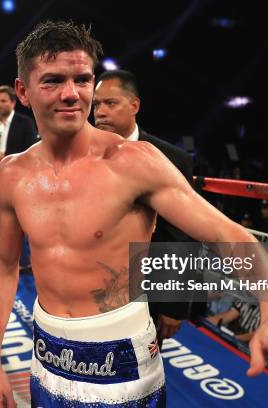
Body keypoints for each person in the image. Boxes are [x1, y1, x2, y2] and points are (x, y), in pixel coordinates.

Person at [0, 21, 268, 407]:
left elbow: (227, 234)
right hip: (46, 357)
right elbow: (3, 264)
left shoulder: (132, 162)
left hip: (123, 363)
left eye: (82, 79)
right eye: (52, 81)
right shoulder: (13, 172)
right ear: (23, 92)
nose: (71, 94)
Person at [93, 69, 194, 344]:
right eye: (96, 104)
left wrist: (174, 302)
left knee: (138, 379)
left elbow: (181, 235)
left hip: (144, 293)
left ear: (134, 106)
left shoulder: (170, 158)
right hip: (87, 291)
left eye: (110, 103)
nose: (100, 112)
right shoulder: (81, 153)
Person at [0, 85, 37, 167]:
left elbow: (31, 151)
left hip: (18, 172)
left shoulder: (25, 123)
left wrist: (4, 157)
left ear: (13, 103)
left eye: (3, 101)